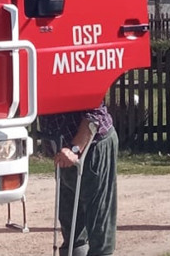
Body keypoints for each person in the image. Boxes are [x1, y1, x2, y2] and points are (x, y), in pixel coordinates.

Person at [42, 103, 119, 256]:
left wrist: (74, 148)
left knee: (99, 224)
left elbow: (96, 113)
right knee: (70, 224)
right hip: (62, 151)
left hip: (93, 146)